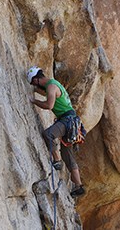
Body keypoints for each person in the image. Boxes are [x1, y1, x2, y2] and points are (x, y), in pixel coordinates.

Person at [27, 66, 85, 198]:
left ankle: (57, 160)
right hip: (72, 122)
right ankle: (79, 186)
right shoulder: (52, 85)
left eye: (33, 83)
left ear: (36, 80)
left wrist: (34, 101)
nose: (33, 85)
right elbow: (47, 93)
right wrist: (36, 91)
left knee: (48, 134)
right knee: (68, 156)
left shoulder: (51, 87)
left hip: (66, 120)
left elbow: (49, 105)